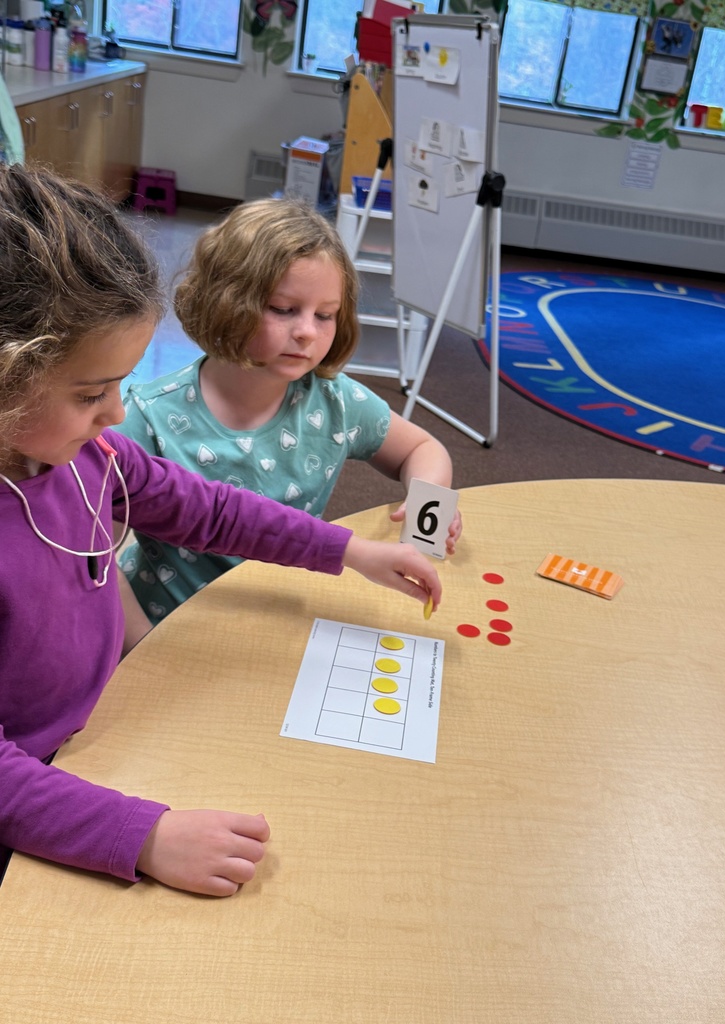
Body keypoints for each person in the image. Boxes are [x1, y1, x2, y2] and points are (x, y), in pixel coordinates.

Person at [0, 165, 442, 898]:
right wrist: (142, 836)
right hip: (41, 806)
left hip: (107, 728)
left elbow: (210, 509)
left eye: (120, 384)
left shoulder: (88, 451)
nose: (117, 412)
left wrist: (351, 550)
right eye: (90, 393)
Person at [116, 197, 461, 638]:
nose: (307, 332)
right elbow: (90, 564)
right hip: (166, 627)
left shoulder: (335, 401)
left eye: (326, 315)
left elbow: (421, 448)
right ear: (226, 301)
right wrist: (142, 644)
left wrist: (427, 507)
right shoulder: (144, 418)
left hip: (281, 616)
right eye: (283, 309)